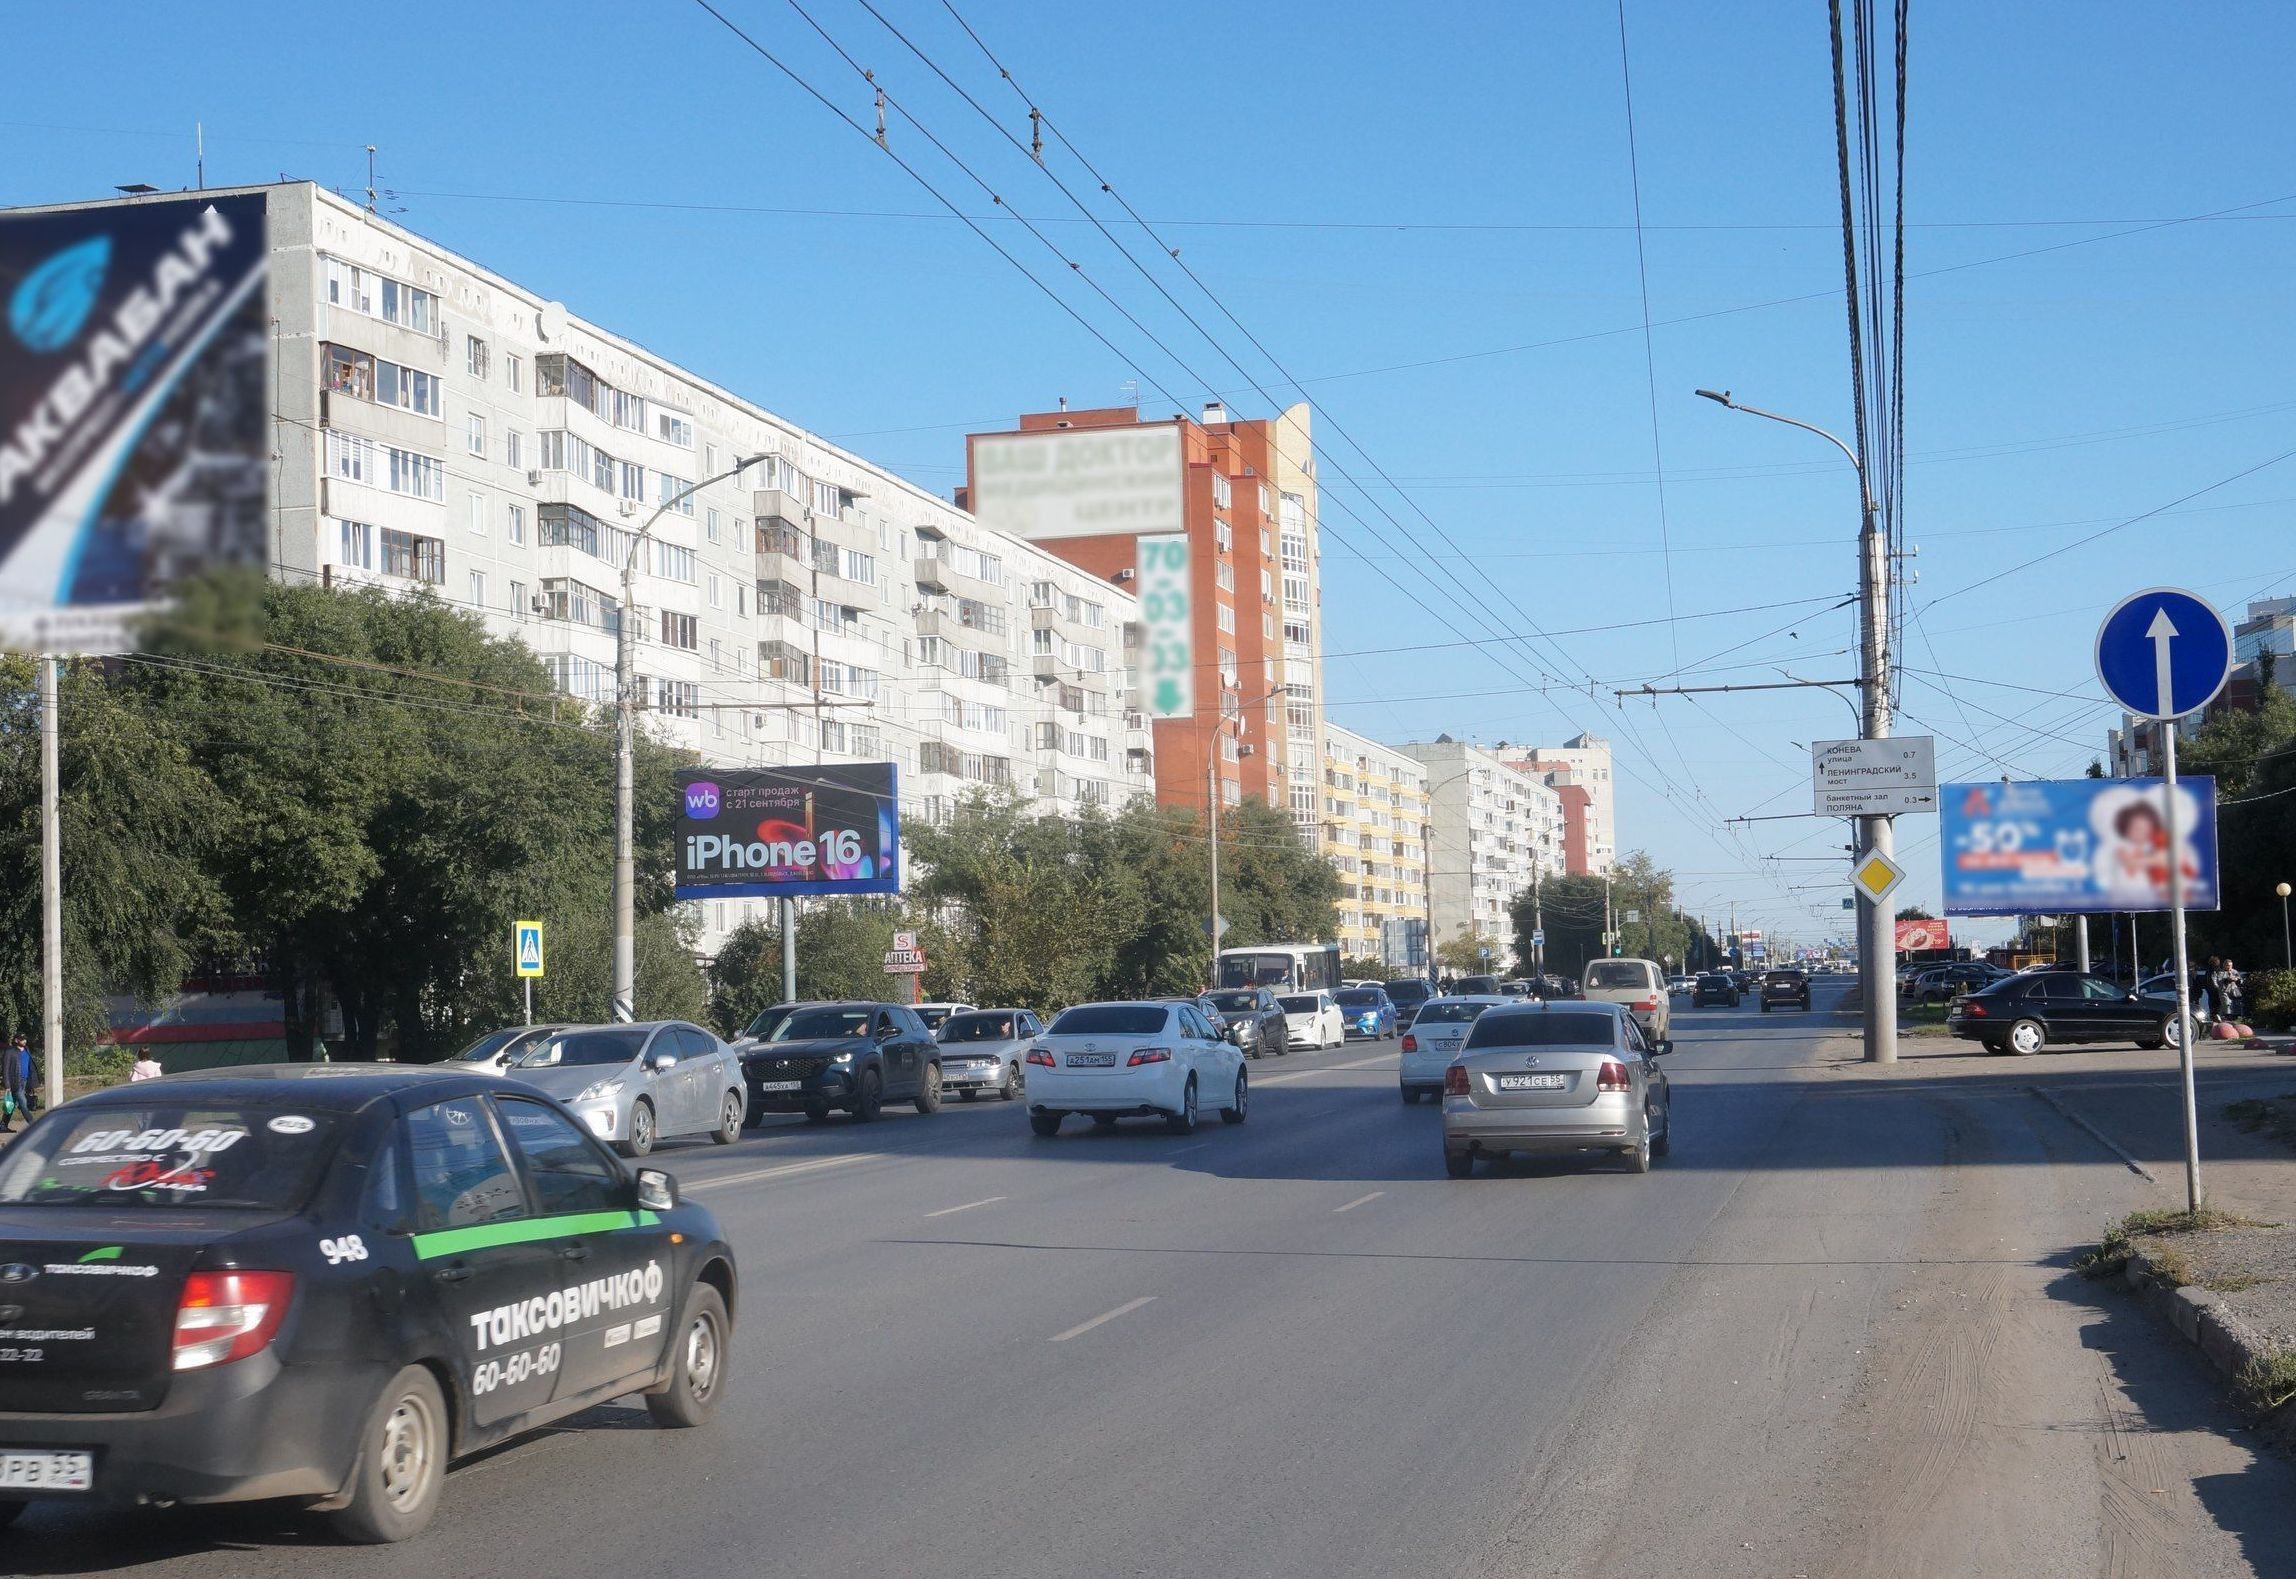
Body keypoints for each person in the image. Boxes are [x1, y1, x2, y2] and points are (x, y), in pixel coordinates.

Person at [1, 1035, 31, 1133]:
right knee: (23, 1103)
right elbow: (5, 1070)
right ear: (16, 1040)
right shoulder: (10, 1052)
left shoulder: (27, 1050)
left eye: (25, 1039)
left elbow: (30, 1066)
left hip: (25, 1081)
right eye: (22, 1039)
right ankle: (34, 1125)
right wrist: (7, 1085)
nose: (24, 1041)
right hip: (15, 1082)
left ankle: (3, 1126)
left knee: (12, 1104)